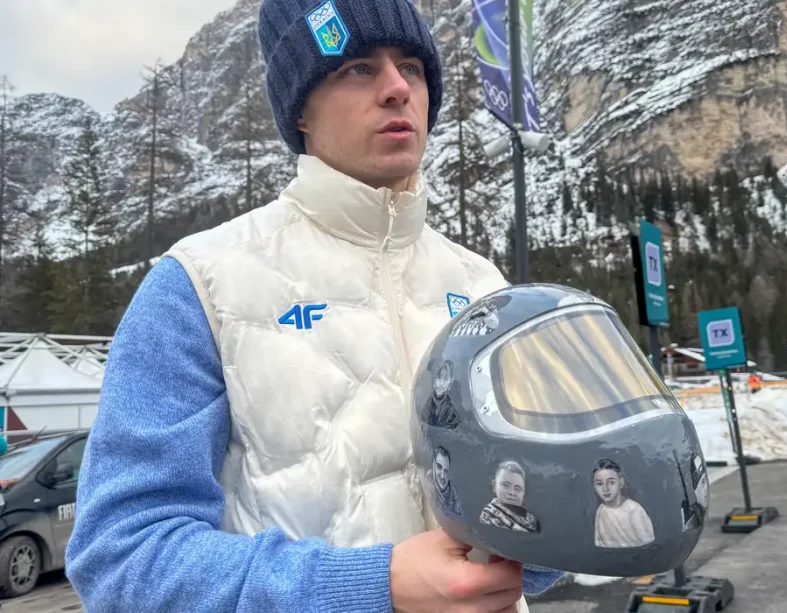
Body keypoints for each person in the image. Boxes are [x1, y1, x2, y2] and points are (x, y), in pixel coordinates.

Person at [64, 0, 563, 611]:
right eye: (358, 68)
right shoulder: (199, 284)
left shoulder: (483, 284)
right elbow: (122, 556)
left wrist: (554, 533)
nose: (397, 88)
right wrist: (373, 586)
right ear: (299, 106)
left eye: (411, 65)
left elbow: (527, 533)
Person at [592, 459, 655, 548]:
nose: (605, 489)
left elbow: (647, 543)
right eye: (599, 484)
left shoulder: (634, 509)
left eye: (611, 482)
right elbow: (600, 544)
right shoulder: (601, 511)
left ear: (621, 482)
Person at [479, 461, 540, 533]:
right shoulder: (489, 515)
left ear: (524, 492)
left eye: (518, 488)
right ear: (494, 486)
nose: (512, 493)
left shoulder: (531, 519)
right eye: (505, 485)